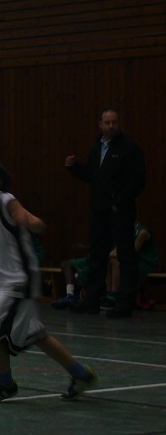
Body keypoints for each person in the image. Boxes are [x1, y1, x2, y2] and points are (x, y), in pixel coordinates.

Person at [0, 155, 97, 402]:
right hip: (3, 279)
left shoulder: (4, 200)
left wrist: (28, 221)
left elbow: (38, 224)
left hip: (19, 276)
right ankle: (81, 374)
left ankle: (5, 383)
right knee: (35, 333)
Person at [65, 108, 146, 318]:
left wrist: (120, 203)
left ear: (118, 123)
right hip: (99, 210)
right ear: (100, 124)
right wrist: (74, 168)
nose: (111, 126)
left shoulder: (129, 148)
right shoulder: (97, 147)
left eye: (114, 122)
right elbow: (93, 175)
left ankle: (124, 303)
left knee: (125, 256)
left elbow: (137, 180)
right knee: (97, 255)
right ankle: (92, 299)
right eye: (107, 122)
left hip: (119, 211)